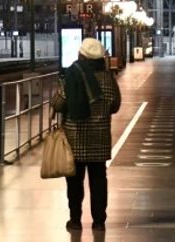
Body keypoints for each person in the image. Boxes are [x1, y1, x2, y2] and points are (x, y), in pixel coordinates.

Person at [51, 37, 121, 232]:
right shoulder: (108, 78)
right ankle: (99, 222)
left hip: (75, 140)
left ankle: (75, 220)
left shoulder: (73, 77)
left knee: (74, 183)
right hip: (99, 140)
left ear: (81, 55)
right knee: (99, 181)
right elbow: (115, 105)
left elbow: (58, 104)